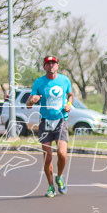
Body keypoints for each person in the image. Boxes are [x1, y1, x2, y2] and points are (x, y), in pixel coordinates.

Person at [27, 55, 73, 198]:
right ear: (44, 67)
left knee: (62, 154)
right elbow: (28, 104)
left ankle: (59, 177)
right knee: (47, 157)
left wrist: (69, 104)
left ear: (57, 66)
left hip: (61, 121)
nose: (51, 66)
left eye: (53, 63)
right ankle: (51, 186)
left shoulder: (64, 80)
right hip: (45, 122)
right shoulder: (39, 82)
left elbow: (70, 95)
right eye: (48, 64)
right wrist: (32, 100)